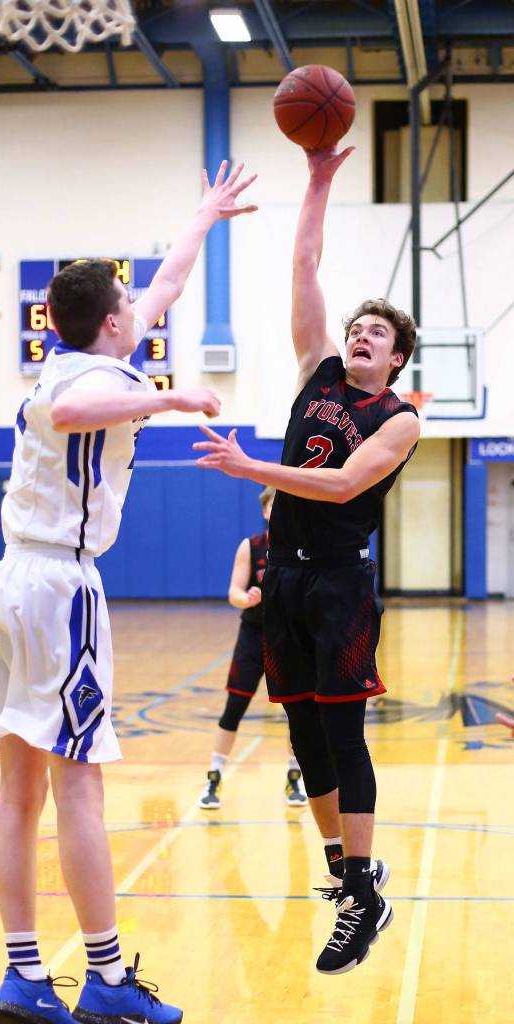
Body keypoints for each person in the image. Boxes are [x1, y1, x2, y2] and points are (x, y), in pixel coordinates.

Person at [0, 160, 256, 1024]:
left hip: (15, 581)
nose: (143, 310)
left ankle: (24, 976)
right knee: (78, 787)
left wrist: (205, 216)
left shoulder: (84, 360)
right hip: (58, 591)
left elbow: (169, 281)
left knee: (19, 790)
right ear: (113, 323)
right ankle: (106, 980)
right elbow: (74, 415)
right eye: (130, 306)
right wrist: (170, 398)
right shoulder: (88, 383)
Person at [193, 144, 420, 976]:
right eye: (356, 328)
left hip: (339, 582)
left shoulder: (400, 420)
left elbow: (342, 484)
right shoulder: (313, 371)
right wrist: (319, 179)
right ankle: (346, 873)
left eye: (376, 334)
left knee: (343, 732)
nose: (360, 336)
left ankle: (361, 894)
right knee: (302, 731)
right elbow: (304, 265)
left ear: (395, 359)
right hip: (283, 579)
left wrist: (252, 467)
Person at [198, 486, 308, 810]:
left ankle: (295, 777)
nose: (279, 509)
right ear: (264, 511)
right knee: (235, 706)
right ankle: (214, 776)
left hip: (289, 638)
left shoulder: (303, 547)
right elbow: (233, 591)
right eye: (273, 504)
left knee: (298, 712)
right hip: (254, 636)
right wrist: (245, 599)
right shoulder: (251, 546)